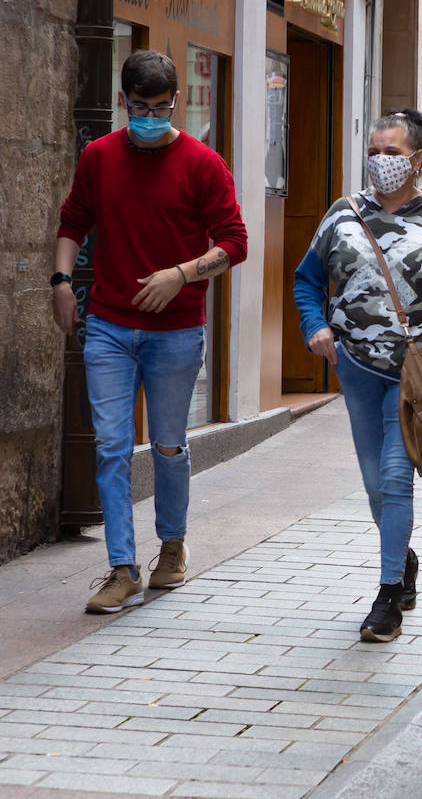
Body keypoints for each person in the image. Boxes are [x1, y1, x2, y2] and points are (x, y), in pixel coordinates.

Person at [53, 50, 248, 614]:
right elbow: (73, 222)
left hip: (177, 331)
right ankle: (121, 568)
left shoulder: (203, 164)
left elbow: (234, 242)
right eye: (140, 108)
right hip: (110, 325)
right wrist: (62, 280)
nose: (150, 117)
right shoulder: (99, 157)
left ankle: (172, 546)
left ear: (177, 104)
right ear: (123, 102)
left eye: (161, 108)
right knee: (112, 446)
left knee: (168, 446)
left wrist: (181, 274)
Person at [293, 109, 422, 643]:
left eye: (393, 152)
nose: (381, 161)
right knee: (375, 484)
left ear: (418, 160)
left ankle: (387, 598)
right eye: (375, 150)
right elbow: (306, 280)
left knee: (396, 478)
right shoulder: (343, 214)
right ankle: (402, 558)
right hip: (356, 370)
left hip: (415, 379)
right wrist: (315, 326)